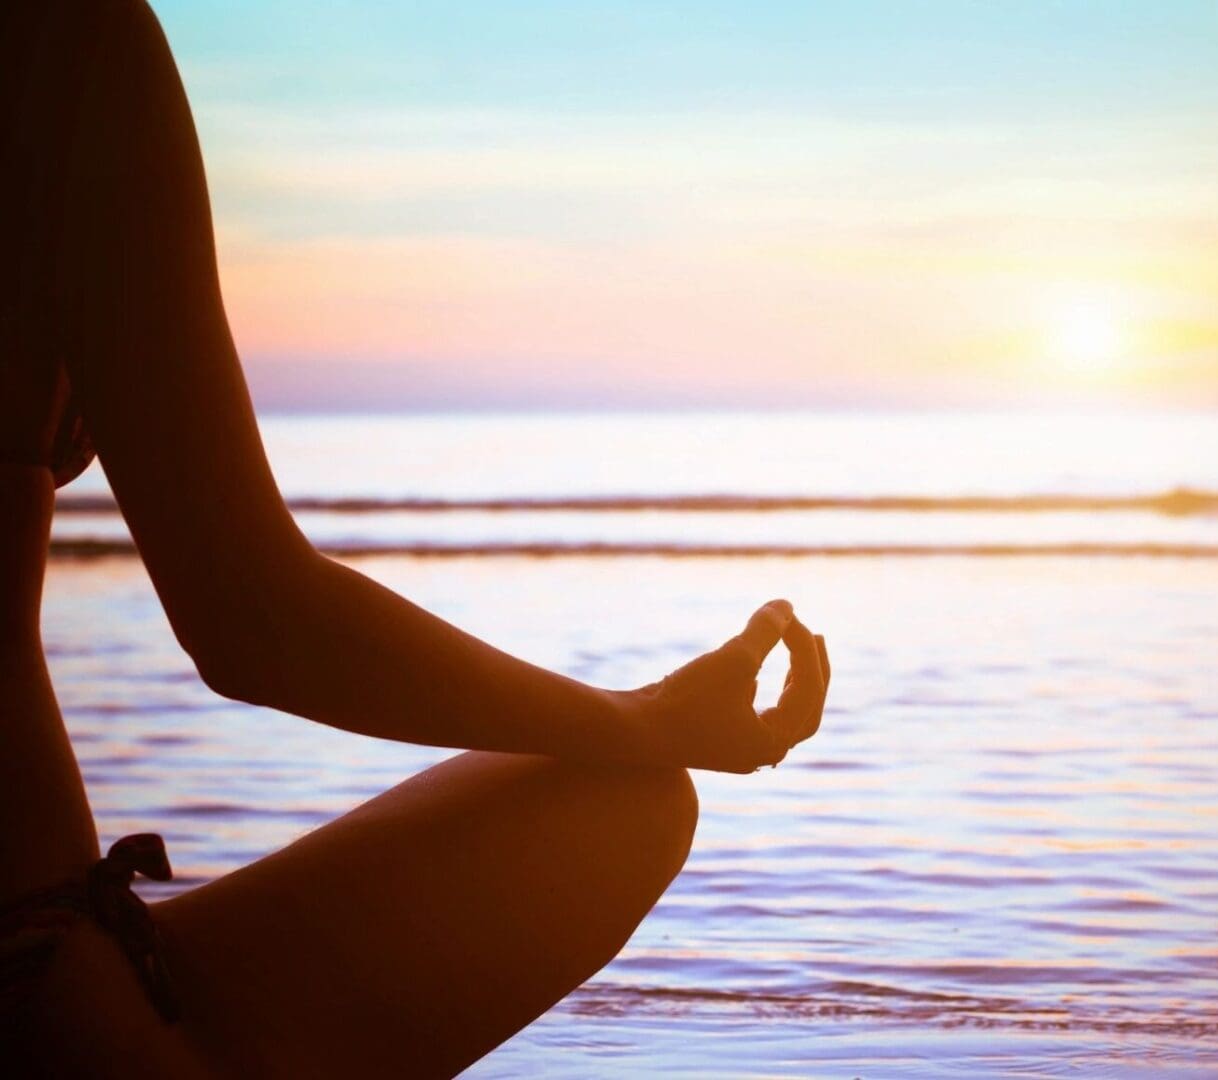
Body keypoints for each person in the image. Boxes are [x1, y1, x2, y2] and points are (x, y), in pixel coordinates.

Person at [0, 0, 832, 1074]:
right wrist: (647, 720)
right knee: (625, 800)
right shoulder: (62, 40)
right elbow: (251, 620)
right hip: (30, 986)